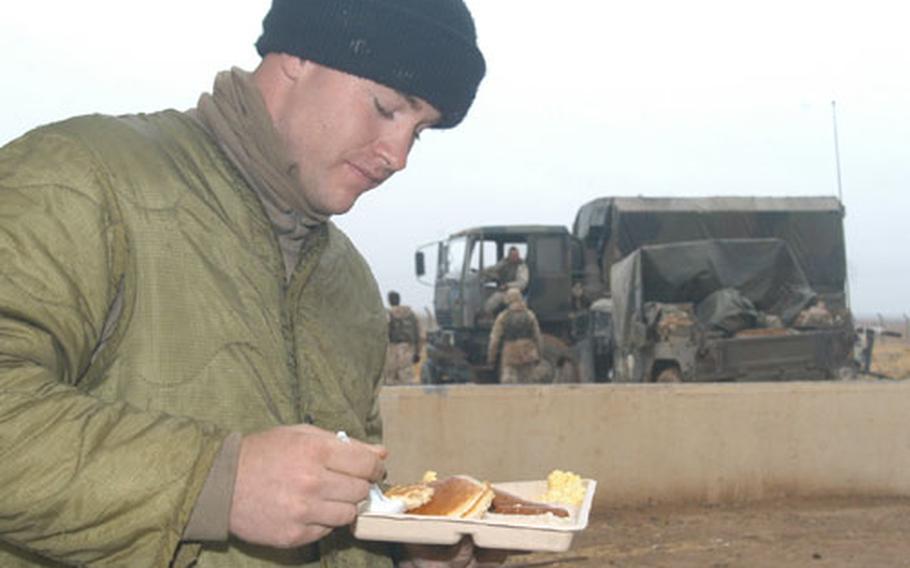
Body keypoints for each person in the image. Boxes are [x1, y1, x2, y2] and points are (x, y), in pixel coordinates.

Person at [0, 0, 488, 566]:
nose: (398, 157)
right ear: (301, 55)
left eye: (420, 132)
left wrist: (403, 548)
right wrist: (217, 483)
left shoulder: (349, 282)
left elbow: (329, 505)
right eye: (385, 109)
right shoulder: (80, 179)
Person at [487, 289, 546, 384]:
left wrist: (491, 358)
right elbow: (538, 337)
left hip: (510, 355)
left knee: (509, 385)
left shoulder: (503, 317)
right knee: (528, 384)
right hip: (528, 353)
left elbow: (494, 340)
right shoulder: (530, 315)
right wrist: (540, 355)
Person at [384, 291, 422, 385]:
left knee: (390, 378)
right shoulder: (411, 315)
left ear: (389, 301)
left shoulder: (387, 314)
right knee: (407, 378)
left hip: (392, 350)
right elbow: (418, 334)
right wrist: (417, 352)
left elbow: (383, 333)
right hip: (408, 349)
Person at [481, 246, 529, 316]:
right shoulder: (505, 263)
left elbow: (522, 283)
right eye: (512, 255)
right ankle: (487, 316)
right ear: (509, 256)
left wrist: (507, 285)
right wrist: (485, 273)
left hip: (515, 291)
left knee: (496, 298)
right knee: (487, 292)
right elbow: (495, 269)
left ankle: (486, 315)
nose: (514, 257)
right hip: (503, 288)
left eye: (516, 255)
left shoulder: (521, 266)